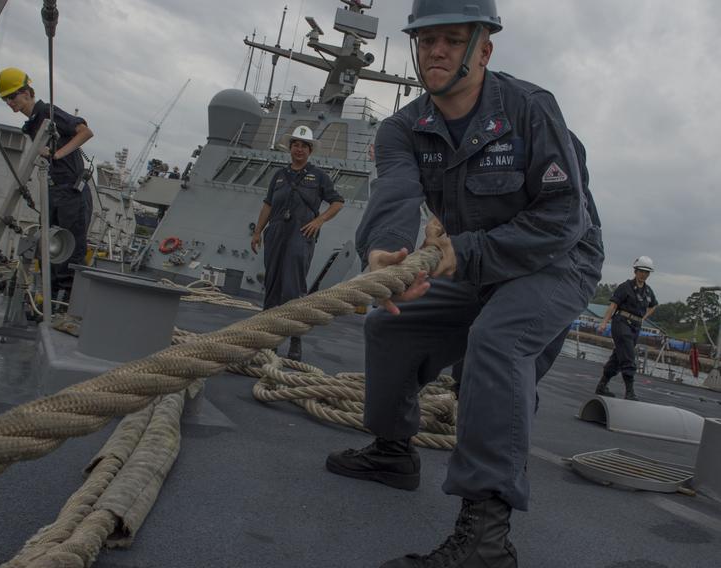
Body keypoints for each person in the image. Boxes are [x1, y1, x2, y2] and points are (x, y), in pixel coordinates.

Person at [326, 1, 605, 566]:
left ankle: (485, 539)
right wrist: (383, 255)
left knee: (498, 343)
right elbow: (395, 196)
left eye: (453, 39)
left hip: (556, 260)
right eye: (427, 40)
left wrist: (464, 254)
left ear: (483, 48)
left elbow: (561, 219)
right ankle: (393, 451)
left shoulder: (530, 110)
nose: (436, 51)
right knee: (388, 325)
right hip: (467, 260)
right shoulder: (403, 128)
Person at [0, 67, 94, 303]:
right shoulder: (32, 124)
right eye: (6, 99)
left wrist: (57, 154)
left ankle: (66, 303)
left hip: (71, 191)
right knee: (50, 246)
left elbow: (85, 132)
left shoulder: (47, 112)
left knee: (70, 248)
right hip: (54, 191)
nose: (10, 103)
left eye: (13, 96)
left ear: (28, 92)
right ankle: (49, 298)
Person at [251, 126, 345, 361]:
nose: (299, 149)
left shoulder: (319, 176)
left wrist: (319, 221)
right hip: (275, 234)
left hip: (300, 235)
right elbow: (268, 205)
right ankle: (269, 341)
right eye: (295, 144)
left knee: (293, 289)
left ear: (310, 149)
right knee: (272, 287)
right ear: (290, 147)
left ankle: (295, 340)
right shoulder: (279, 176)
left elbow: (337, 202)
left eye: (303, 145)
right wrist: (258, 231)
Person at [595, 256, 658, 400]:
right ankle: (629, 391)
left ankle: (602, 385)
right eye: (641, 271)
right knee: (629, 355)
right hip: (622, 323)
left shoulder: (648, 291)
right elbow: (613, 305)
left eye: (647, 272)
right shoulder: (625, 287)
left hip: (636, 326)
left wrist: (643, 318)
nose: (644, 274)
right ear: (635, 271)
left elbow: (653, 305)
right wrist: (604, 322)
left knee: (618, 357)